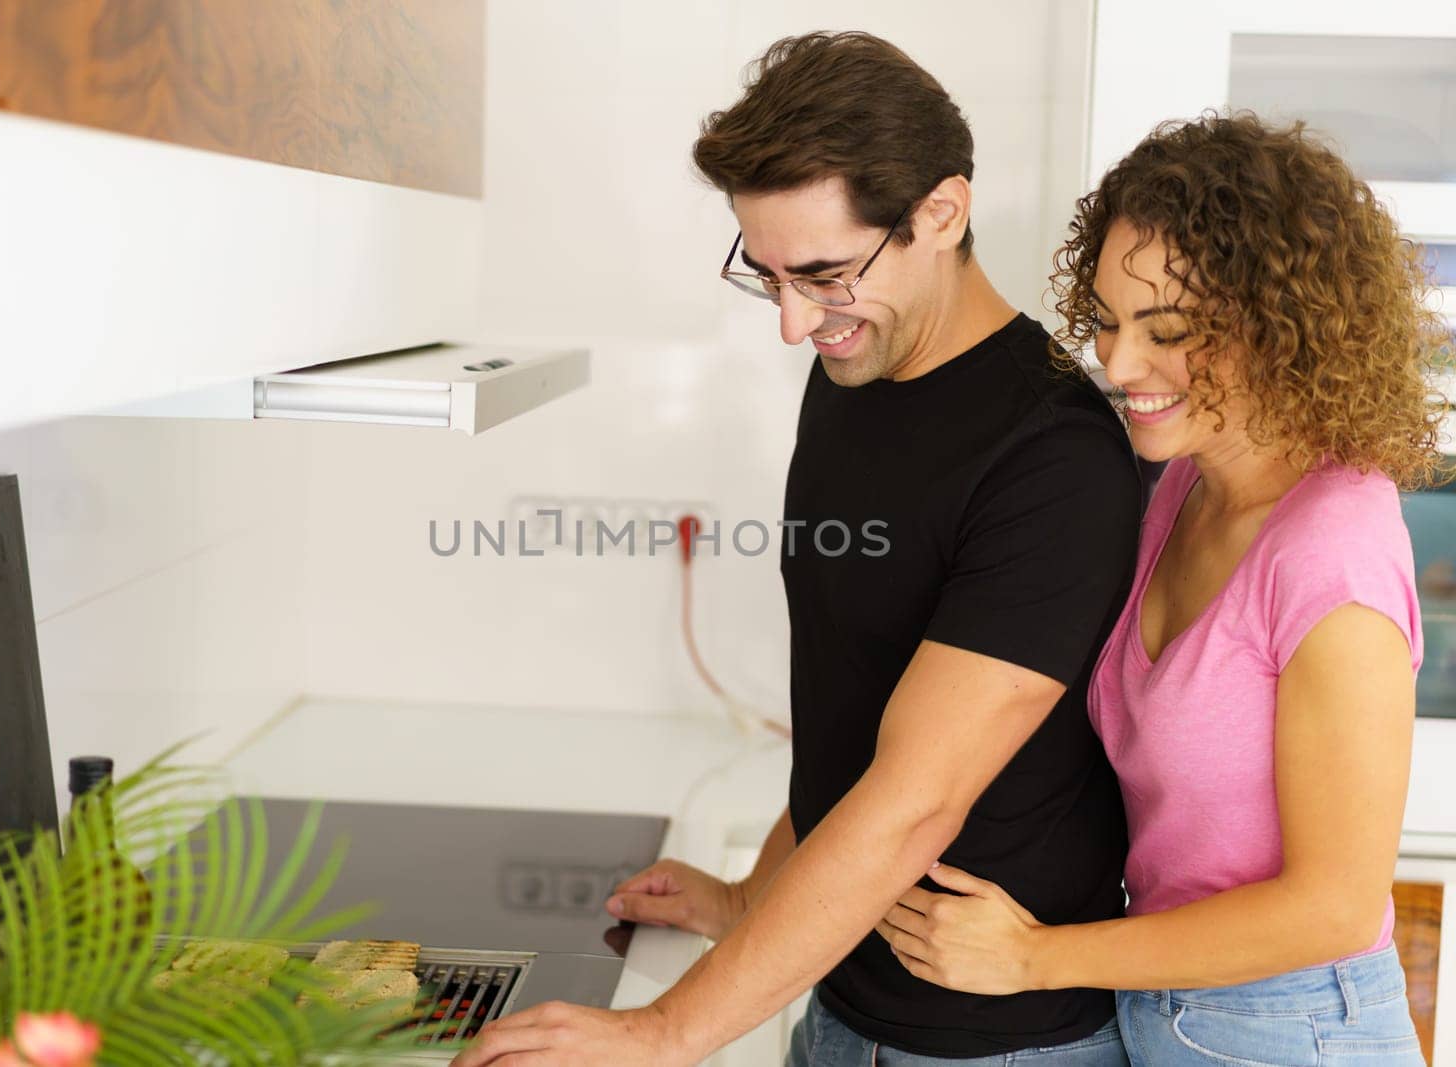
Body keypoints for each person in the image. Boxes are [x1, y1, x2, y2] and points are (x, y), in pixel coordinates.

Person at [453, 32, 1142, 1066]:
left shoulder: (1053, 460)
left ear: (941, 213)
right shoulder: (855, 366)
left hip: (986, 1044)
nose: (791, 322)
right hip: (843, 1003)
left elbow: (916, 801)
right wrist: (749, 896)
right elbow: (856, 711)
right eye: (764, 273)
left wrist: (664, 1028)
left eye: (822, 273)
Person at [877, 113, 1445, 1066]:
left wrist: (1034, 958)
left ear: (1283, 324)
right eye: (1105, 319)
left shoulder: (1329, 554)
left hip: (1296, 1027)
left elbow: (1333, 907)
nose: (1120, 363)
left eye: (1168, 331)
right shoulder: (1183, 481)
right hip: (1169, 1010)